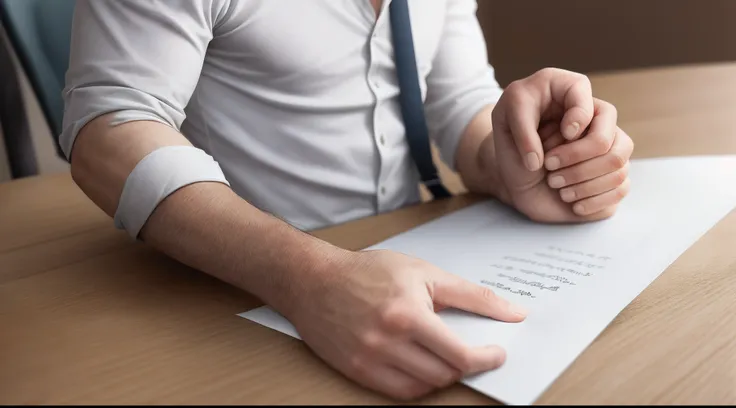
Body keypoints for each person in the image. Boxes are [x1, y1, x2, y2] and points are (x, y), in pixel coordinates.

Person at [62, 0, 633, 401]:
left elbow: (461, 103)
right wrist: (308, 278)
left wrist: (518, 165)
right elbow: (110, 126)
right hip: (228, 308)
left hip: (405, 274)